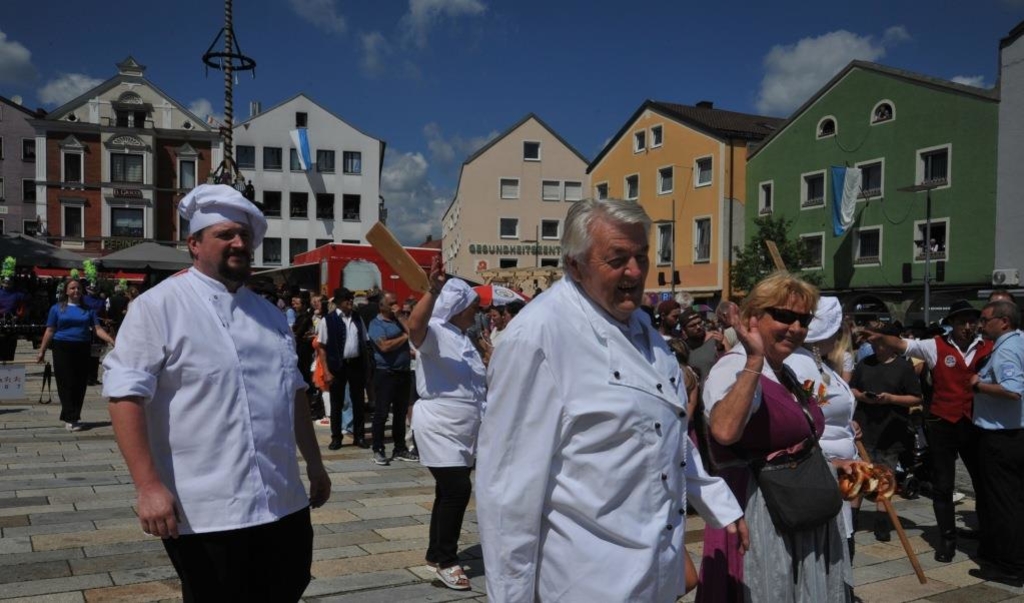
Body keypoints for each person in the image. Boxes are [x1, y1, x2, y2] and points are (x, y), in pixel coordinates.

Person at [478, 198, 745, 602]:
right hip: (587, 580)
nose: (635, 272)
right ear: (575, 265)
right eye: (618, 259)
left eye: (642, 256)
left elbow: (666, 432)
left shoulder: (643, 329)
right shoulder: (538, 338)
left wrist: (715, 499)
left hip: (653, 570)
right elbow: (507, 491)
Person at [102, 184, 330, 602]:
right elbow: (124, 396)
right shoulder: (158, 307)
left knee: (287, 587)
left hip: (282, 499)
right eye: (225, 235)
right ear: (194, 243)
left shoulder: (270, 315)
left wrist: (315, 465)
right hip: (206, 507)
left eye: (244, 235)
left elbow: (294, 394)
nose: (239, 243)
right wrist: (148, 486)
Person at [699, 271, 852, 603]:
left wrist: (833, 463)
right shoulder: (737, 367)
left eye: (803, 319)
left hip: (794, 509)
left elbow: (788, 440)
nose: (795, 328)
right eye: (783, 316)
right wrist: (753, 358)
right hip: (757, 517)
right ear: (754, 317)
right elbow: (725, 431)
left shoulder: (784, 370)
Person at [865, 300, 991, 561]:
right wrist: (881, 336)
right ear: (952, 325)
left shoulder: (988, 346)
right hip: (942, 423)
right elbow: (903, 345)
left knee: (983, 483)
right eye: (961, 322)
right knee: (943, 485)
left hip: (975, 423)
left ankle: (987, 536)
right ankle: (947, 541)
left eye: (971, 322)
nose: (967, 327)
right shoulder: (936, 345)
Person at [407, 266, 486, 591]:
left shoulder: (463, 338)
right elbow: (414, 326)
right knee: (456, 489)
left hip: (464, 426)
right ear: (458, 306)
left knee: (448, 490)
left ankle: (434, 552)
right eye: (473, 305)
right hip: (440, 423)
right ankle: (446, 559)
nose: (477, 310)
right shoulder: (437, 330)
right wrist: (434, 291)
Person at [785, 296, 860, 561]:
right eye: (837, 329)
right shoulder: (797, 365)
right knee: (829, 555)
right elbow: (800, 418)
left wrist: (847, 423)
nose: (840, 336)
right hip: (822, 471)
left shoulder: (819, 364)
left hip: (839, 475)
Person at [967, 300, 1024, 587]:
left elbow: (1013, 391)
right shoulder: (1020, 342)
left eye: (985, 318)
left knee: (1004, 503)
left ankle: (1010, 567)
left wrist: (977, 385)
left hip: (1003, 438)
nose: (980, 323)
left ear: (1003, 321)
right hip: (1015, 434)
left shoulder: (1007, 349)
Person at [850, 324, 923, 542]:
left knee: (885, 476)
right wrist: (863, 397)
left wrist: (891, 399)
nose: (877, 347)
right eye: (874, 343)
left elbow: (917, 398)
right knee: (859, 475)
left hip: (891, 430)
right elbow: (852, 388)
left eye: (881, 343)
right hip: (864, 427)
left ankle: (882, 522)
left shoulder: (903, 367)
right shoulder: (865, 364)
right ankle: (851, 521)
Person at [36, 279, 115, 431]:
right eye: (72, 288)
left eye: (78, 288)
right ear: (66, 291)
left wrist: (111, 340)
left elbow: (97, 329)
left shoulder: (88, 310)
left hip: (82, 347)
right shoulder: (56, 308)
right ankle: (70, 418)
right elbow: (50, 330)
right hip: (62, 347)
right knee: (66, 382)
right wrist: (42, 351)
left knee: (80, 383)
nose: (76, 291)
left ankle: (74, 416)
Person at [317, 287, 371, 450]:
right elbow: (322, 347)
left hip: (355, 364)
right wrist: (326, 371)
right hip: (337, 366)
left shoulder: (357, 318)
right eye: (347, 300)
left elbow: (364, 340)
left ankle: (359, 436)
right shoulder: (328, 320)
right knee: (337, 402)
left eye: (351, 299)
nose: (350, 302)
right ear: (339, 302)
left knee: (358, 402)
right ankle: (336, 437)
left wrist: (367, 365)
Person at [368, 292, 416, 465]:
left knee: (400, 412)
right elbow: (384, 346)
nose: (396, 306)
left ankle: (400, 448)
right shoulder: (376, 324)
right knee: (382, 413)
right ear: (382, 306)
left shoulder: (399, 321)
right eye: (392, 303)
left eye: (397, 302)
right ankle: (378, 449)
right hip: (385, 373)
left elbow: (413, 331)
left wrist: (401, 318)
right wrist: (404, 337)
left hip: (403, 372)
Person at [681, 307, 725, 381]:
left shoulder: (716, 338)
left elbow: (730, 362)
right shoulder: (683, 347)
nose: (698, 327)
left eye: (699, 322)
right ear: (684, 330)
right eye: (692, 325)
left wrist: (720, 348)